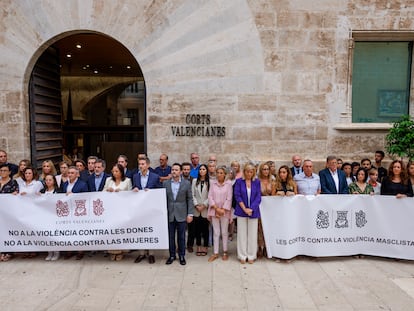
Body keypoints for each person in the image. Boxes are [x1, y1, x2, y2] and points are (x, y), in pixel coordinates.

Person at [164, 163, 194, 266]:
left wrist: (190, 214)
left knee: (181, 236)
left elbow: (189, 199)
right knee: (171, 236)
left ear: (180, 172)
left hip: (182, 213)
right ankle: (172, 255)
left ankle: (182, 255)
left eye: (176, 170)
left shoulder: (186, 183)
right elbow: (163, 199)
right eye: (172, 170)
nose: (174, 172)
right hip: (170, 214)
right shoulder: (166, 183)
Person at [132, 158, 161, 264]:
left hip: (150, 208)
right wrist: (134, 189)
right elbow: (133, 189)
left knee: (150, 230)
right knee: (140, 230)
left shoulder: (155, 177)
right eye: (139, 164)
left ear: (148, 165)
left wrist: (151, 192)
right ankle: (141, 253)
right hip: (139, 208)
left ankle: (151, 253)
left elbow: (160, 190)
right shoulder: (135, 176)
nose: (141, 166)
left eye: (143, 164)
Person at [234, 162, 261, 264]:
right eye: (247, 171)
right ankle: (242, 255)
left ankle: (251, 255)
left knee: (252, 234)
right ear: (244, 171)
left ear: (254, 172)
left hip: (253, 212)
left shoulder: (257, 182)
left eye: (251, 171)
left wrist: (251, 209)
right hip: (241, 211)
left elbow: (258, 197)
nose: (249, 173)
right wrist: (245, 208)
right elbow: (237, 195)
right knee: (242, 234)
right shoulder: (239, 181)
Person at [104, 164, 132, 261]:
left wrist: (122, 192)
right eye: (113, 171)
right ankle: (112, 251)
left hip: (122, 209)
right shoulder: (108, 180)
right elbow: (102, 192)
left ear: (121, 172)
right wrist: (108, 190)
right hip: (110, 209)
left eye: (117, 171)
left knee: (121, 230)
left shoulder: (127, 181)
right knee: (112, 231)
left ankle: (121, 251)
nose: (115, 173)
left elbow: (130, 194)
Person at [62, 166, 88, 260]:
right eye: (69, 173)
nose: (70, 175)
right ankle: (69, 250)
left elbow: (86, 197)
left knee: (79, 231)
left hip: (78, 211)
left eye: (72, 173)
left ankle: (80, 251)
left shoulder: (82, 184)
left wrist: (74, 196)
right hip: (67, 211)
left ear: (77, 174)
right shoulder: (64, 184)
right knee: (69, 230)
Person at [207, 166, 232, 262]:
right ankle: (215, 252)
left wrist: (223, 210)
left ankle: (225, 251)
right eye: (218, 172)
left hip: (224, 211)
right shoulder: (213, 184)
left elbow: (229, 198)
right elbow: (210, 197)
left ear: (225, 174)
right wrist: (216, 209)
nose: (219, 174)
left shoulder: (228, 184)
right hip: (215, 210)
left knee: (224, 232)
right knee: (216, 232)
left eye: (221, 173)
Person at [190, 164, 210, 257]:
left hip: (205, 209)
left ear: (206, 171)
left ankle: (205, 246)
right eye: (200, 169)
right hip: (197, 209)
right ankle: (198, 246)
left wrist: (204, 205)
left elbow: (211, 196)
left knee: (205, 229)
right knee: (197, 229)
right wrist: (196, 205)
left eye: (203, 169)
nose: (202, 171)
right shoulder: (194, 181)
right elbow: (192, 194)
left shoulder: (210, 182)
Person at [0, 164, 19, 262]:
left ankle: (8, 252)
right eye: (1, 170)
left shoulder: (13, 182)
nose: (3, 172)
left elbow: (16, 193)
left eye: (5, 170)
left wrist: (14, 194)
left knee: (7, 231)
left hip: (7, 212)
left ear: (9, 172)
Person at [40, 174, 60, 261]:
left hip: (55, 216)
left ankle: (56, 252)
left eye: (50, 180)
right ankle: (49, 252)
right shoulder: (42, 191)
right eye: (46, 180)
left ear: (54, 181)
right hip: (45, 216)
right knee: (47, 234)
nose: (48, 182)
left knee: (54, 234)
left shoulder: (58, 191)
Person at [257, 162, 274, 258]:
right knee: (259, 228)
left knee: (269, 227)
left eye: (267, 169)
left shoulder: (273, 180)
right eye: (264, 169)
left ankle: (268, 248)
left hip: (270, 208)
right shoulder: (257, 181)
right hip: (260, 207)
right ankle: (260, 247)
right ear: (260, 170)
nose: (266, 171)